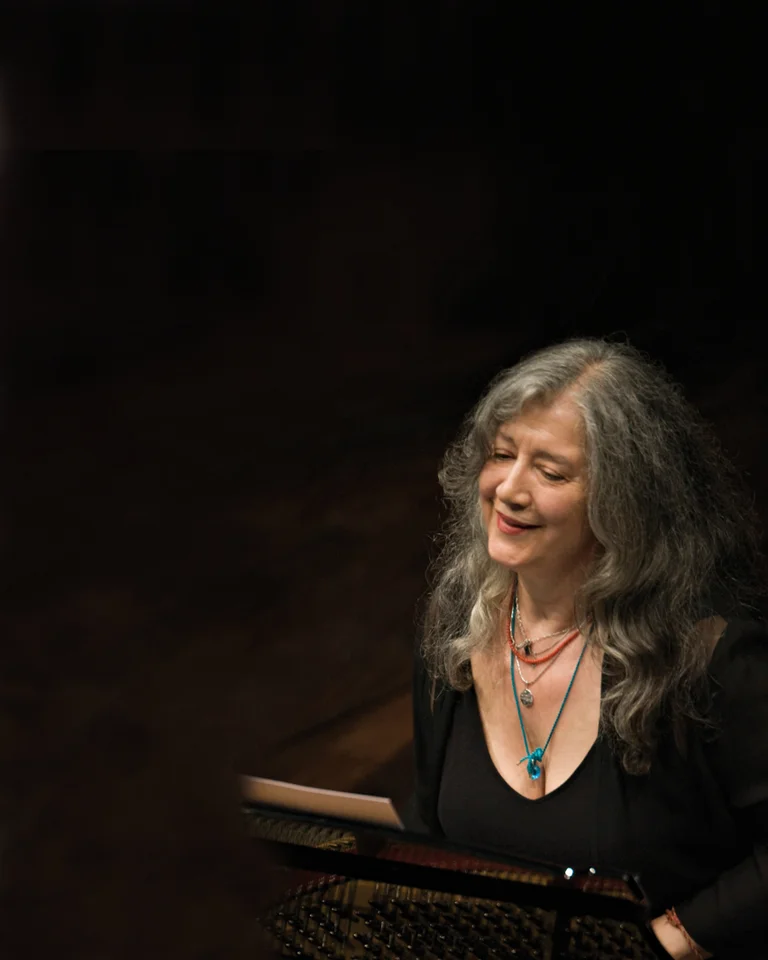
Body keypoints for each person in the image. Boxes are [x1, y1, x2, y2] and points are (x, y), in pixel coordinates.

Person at [405, 338, 768, 959]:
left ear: (623, 501)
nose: (509, 490)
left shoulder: (710, 660)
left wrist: (662, 944)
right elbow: (434, 835)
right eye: (500, 455)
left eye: (550, 472)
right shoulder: (454, 633)